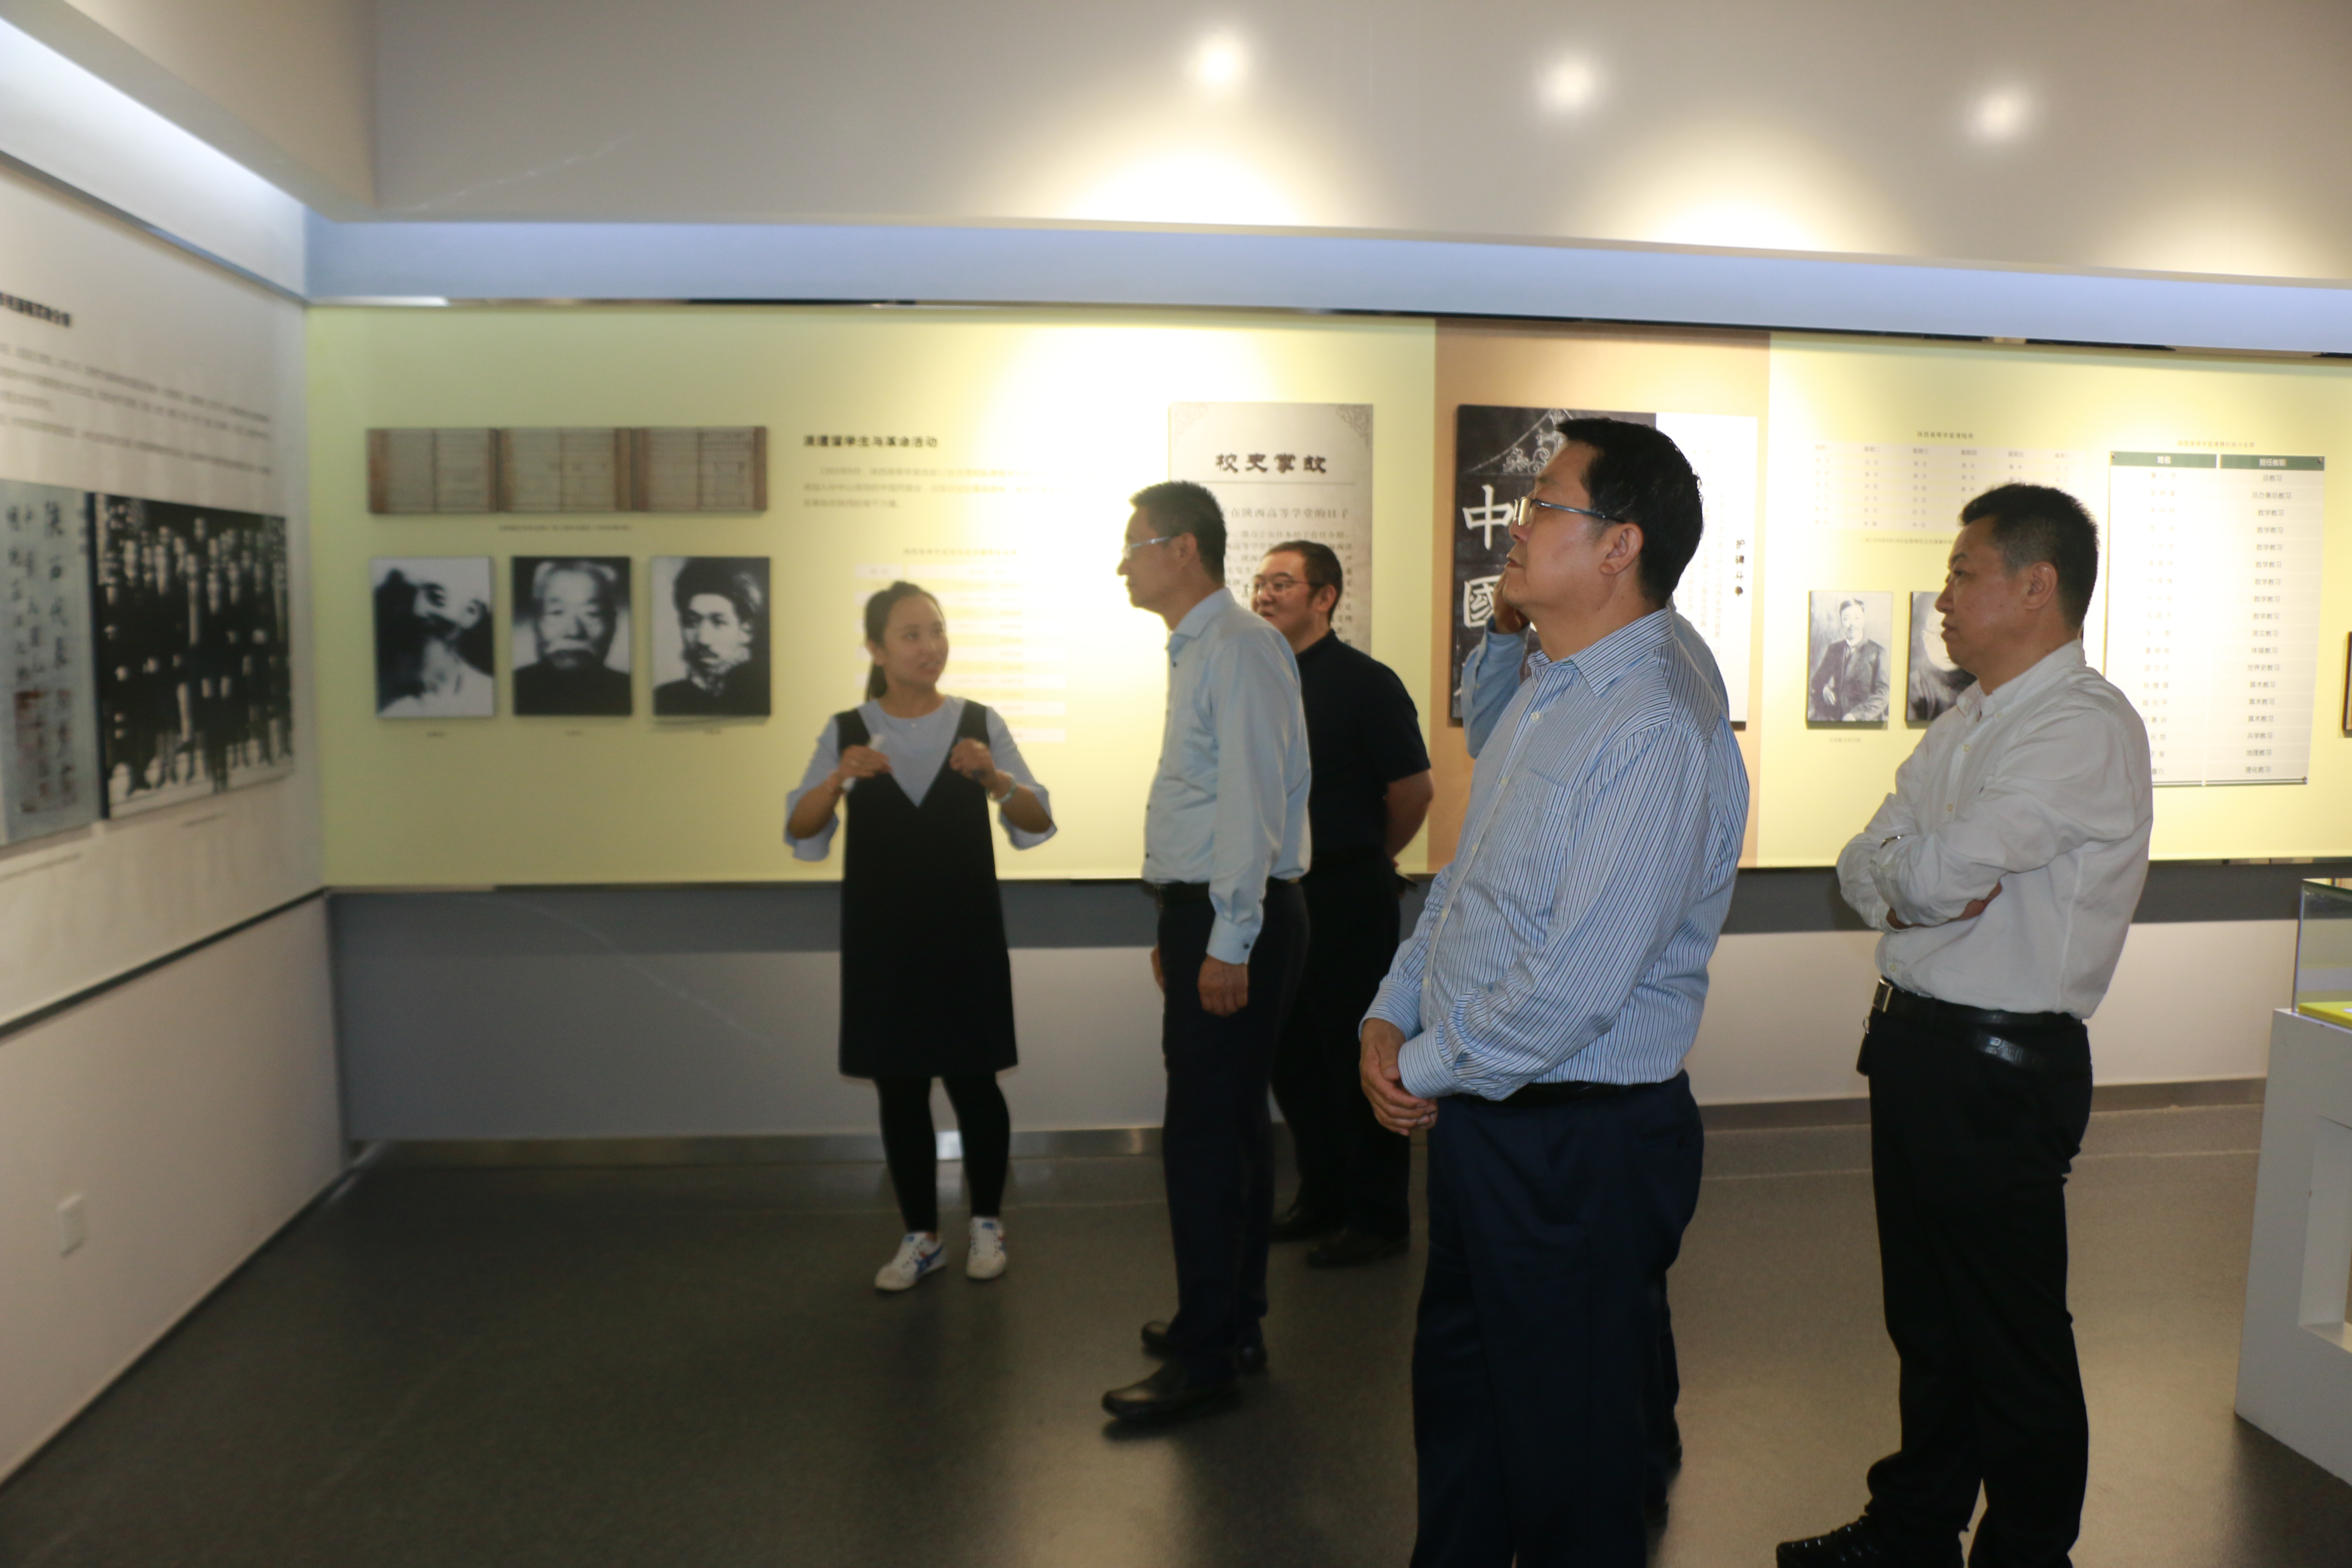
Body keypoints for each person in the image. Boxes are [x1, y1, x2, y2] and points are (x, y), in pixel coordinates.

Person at [1359, 417, 1747, 1565]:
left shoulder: (1653, 723)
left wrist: (1419, 1064)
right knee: (1468, 1419)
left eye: (1543, 506)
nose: (1515, 527)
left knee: (1571, 1464)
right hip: (1494, 1117)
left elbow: (1572, 988)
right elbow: (1471, 886)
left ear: (1619, 546)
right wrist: (1392, 1009)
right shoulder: (1551, 686)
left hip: (1576, 1145)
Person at [1779, 486, 2152, 1568]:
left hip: (1998, 1065)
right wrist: (1909, 882)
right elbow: (1864, 864)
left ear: (2036, 586)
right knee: (1930, 1322)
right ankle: (1914, 1526)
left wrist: (1911, 879)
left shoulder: (2081, 726)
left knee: (2008, 1333)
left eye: (1961, 573)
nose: (1940, 598)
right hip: (1920, 1048)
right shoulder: (1970, 721)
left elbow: (1933, 873)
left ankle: (2026, 1552)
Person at [1103, 479, 1311, 1424]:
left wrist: (1227, 940)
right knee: (1228, 1129)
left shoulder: (1238, 646)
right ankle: (1232, 1319)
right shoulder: (1203, 648)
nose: (1123, 564)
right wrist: (1182, 929)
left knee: (1202, 1136)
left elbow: (1250, 806)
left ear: (1182, 548)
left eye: (1135, 545)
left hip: (1241, 918)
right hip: (1213, 915)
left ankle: (1207, 1352)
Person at [785, 580, 1056, 1292]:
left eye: (936, 631)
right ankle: (921, 1235)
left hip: (964, 934)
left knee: (975, 1080)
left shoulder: (978, 722)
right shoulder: (849, 728)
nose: (929, 646)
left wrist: (994, 778)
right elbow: (802, 828)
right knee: (899, 1087)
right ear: (876, 649)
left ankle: (988, 1222)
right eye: (911, 634)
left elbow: (1035, 819)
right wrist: (838, 780)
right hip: (884, 940)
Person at [1251, 539, 1432, 1267]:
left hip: (1346, 889)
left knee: (1355, 1051)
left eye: (1282, 583)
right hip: (1275, 892)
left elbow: (1412, 789)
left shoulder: (1366, 683)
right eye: (1259, 583)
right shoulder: (1257, 678)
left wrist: (1371, 854)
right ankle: (1321, 1194)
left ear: (1324, 597)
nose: (1264, 595)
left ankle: (1378, 1216)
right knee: (1290, 1054)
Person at [375, 562, 495, 718]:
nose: (417, 610)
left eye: (436, 597)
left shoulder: (485, 693)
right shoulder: (393, 698)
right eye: (412, 595)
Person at [513, 558, 631, 716]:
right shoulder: (511, 687)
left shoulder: (631, 691)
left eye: (592, 613)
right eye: (557, 612)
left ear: (613, 624)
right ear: (535, 621)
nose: (574, 631)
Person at [654, 557, 769, 717]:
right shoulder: (666, 698)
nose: (703, 639)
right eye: (692, 622)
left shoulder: (762, 694)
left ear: (746, 631)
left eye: (719, 622)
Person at [1812, 596, 1891, 721]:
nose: (1852, 624)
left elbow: (1884, 694)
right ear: (1841, 622)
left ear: (1863, 620)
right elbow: (1817, 680)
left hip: (1865, 720)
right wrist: (1824, 689)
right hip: (1836, 718)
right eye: (1846, 619)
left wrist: (1856, 715)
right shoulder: (1834, 650)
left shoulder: (1878, 653)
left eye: (1857, 618)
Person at [1906, 592, 1975, 723]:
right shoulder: (1914, 689)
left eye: (1959, 634)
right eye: (1942, 635)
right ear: (1926, 638)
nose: (1950, 647)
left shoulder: (1983, 683)